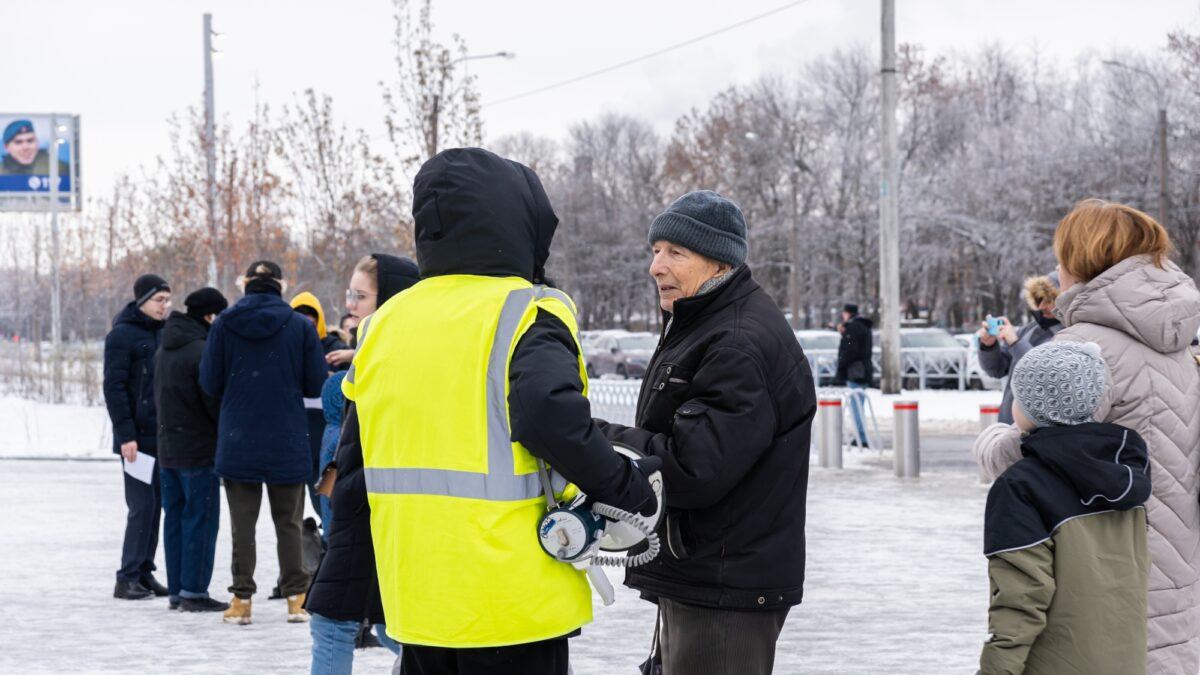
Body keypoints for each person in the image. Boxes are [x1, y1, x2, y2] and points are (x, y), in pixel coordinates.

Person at [344, 148, 658, 675]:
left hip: (416, 591)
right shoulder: (525, 309)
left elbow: (353, 459)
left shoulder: (384, 323)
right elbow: (547, 417)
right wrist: (627, 488)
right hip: (508, 594)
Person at [973, 199, 1200, 674]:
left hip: (1110, 578)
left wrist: (992, 441)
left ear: (1085, 260)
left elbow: (1031, 458)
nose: (1056, 270)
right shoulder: (1179, 342)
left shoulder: (1083, 350)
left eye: (1061, 257)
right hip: (1181, 572)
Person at [596, 190, 817, 675]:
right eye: (655, 250)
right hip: (704, 572)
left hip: (723, 585)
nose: (656, 266)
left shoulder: (736, 340)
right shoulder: (704, 322)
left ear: (720, 264)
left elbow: (694, 469)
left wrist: (595, 437)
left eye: (676, 252)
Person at [977, 341, 1150, 674]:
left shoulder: (1022, 487)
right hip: (1123, 660)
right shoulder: (1124, 475)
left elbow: (1019, 602)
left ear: (1030, 408)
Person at [306, 254, 419, 674]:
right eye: (349, 294)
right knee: (394, 627)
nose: (349, 304)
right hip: (361, 505)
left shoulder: (393, 356)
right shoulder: (379, 351)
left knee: (336, 623)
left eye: (360, 295)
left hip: (373, 506)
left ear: (388, 299)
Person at [199, 260, 327, 626]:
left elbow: (209, 381)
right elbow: (315, 384)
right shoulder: (300, 327)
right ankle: (296, 599)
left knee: (243, 524)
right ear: (280, 287)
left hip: (238, 436)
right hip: (286, 435)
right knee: (287, 521)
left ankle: (241, 600)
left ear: (246, 285)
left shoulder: (224, 323)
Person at [154, 287, 230, 612]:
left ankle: (176, 590)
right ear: (210, 316)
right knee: (201, 519)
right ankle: (194, 591)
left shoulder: (163, 349)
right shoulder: (201, 351)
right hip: (199, 450)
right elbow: (211, 402)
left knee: (174, 519)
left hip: (167, 449)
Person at [104, 273, 172, 601]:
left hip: (159, 435)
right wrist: (125, 435)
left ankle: (144, 572)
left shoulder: (163, 333)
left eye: (167, 301)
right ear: (143, 300)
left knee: (156, 505)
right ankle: (126, 576)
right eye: (159, 300)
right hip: (135, 440)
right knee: (141, 506)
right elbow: (114, 388)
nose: (164, 306)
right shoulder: (122, 336)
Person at [291, 291, 349, 519]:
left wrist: (328, 378)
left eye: (310, 319)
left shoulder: (333, 348)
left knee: (325, 502)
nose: (306, 324)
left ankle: (328, 541)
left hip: (327, 436)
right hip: (296, 434)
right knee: (292, 510)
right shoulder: (287, 347)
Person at [977, 274, 1062, 424]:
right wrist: (988, 345)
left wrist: (1015, 342)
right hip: (1009, 424)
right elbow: (996, 369)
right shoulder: (1029, 329)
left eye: (1049, 300)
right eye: (1039, 299)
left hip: (1039, 429)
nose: (1042, 306)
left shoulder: (1071, 333)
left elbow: (1043, 373)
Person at [834, 303, 873, 448]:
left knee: (856, 407)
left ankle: (861, 438)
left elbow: (851, 349)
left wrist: (841, 366)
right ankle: (861, 435)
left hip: (855, 371)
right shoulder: (863, 326)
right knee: (859, 405)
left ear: (847, 313)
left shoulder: (852, 328)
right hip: (864, 369)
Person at [1, 119, 69, 176]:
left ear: (37, 143)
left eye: (30, 141)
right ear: (7, 147)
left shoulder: (59, 168)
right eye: (18, 142)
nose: (26, 147)